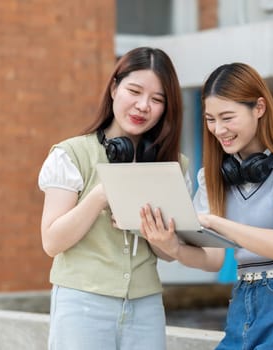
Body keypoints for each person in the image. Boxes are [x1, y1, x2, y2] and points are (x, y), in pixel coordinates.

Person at [140, 62, 273, 349]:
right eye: (210, 119)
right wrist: (174, 248)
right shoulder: (213, 176)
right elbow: (213, 259)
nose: (219, 130)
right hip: (242, 303)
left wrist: (216, 222)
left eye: (227, 117)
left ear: (259, 108)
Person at [37, 47, 190, 350]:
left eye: (157, 99)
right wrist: (101, 194)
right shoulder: (71, 155)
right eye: (134, 90)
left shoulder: (173, 166)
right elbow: (52, 242)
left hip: (146, 305)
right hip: (82, 303)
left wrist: (153, 232)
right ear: (114, 87)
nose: (143, 105)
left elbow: (171, 254)